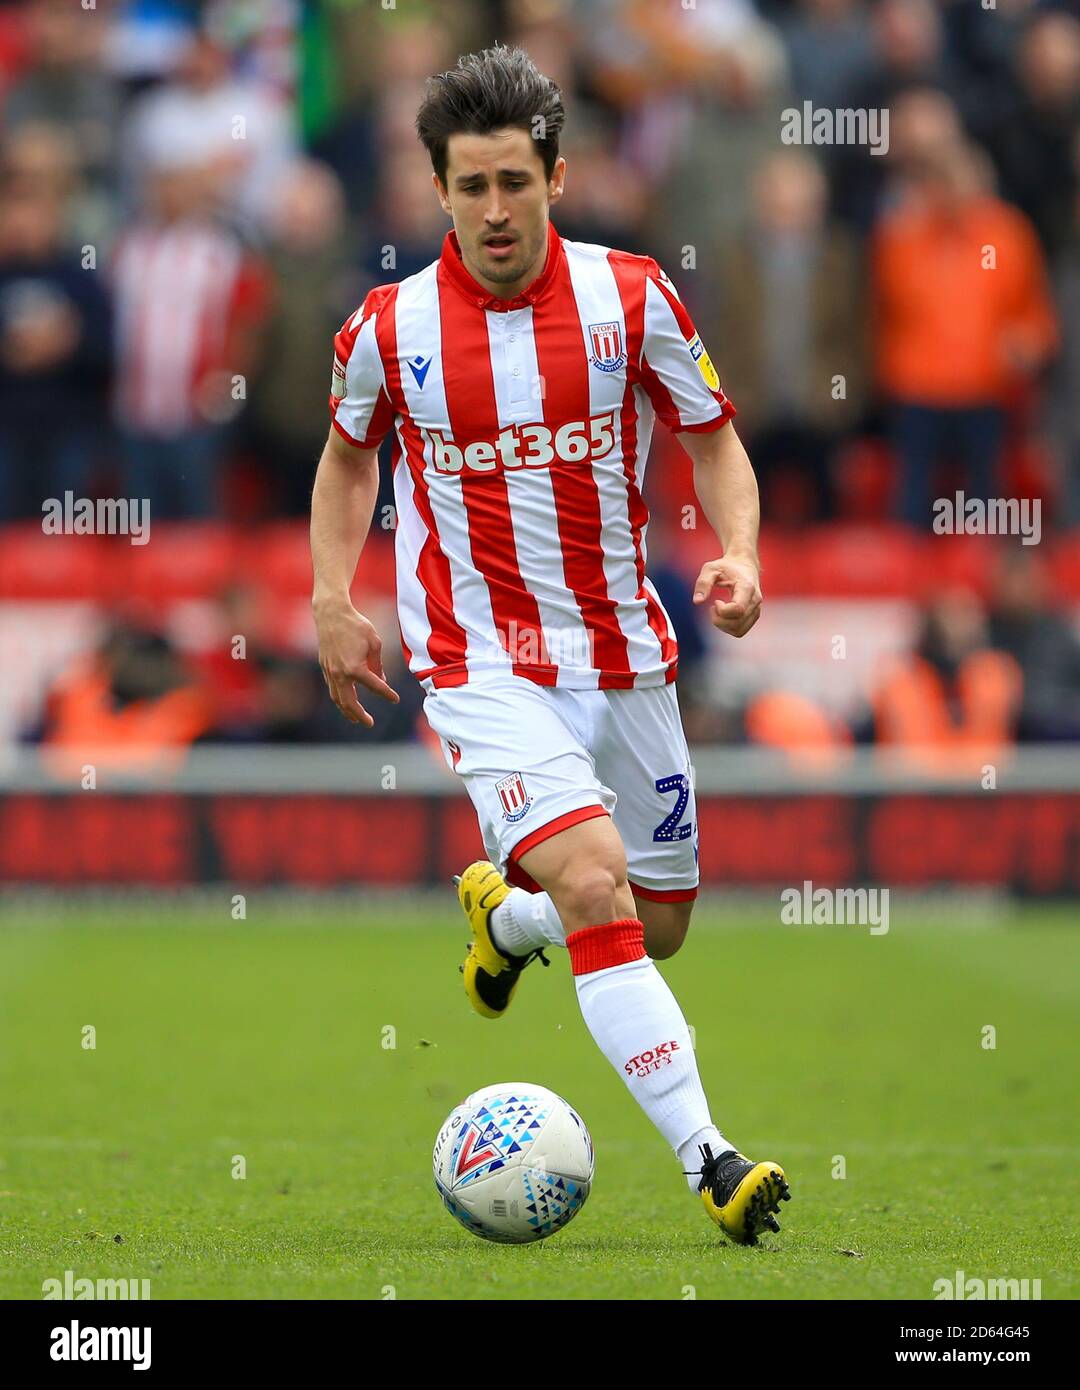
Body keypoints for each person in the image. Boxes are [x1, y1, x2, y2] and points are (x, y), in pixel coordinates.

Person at [309, 46, 789, 1245]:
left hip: (626, 655)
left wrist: (740, 551)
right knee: (592, 878)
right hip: (480, 661)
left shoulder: (634, 299)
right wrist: (330, 594)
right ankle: (711, 1158)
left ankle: (502, 922)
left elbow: (714, 439)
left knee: (654, 920)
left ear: (557, 177)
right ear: (438, 191)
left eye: (514, 182)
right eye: (469, 187)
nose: (494, 210)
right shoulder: (388, 325)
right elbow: (348, 456)